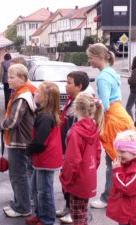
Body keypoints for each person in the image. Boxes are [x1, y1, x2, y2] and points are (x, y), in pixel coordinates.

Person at [86, 43, 134, 209]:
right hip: (122, 117)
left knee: (112, 162)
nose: (89, 60)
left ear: (99, 57)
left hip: (113, 120)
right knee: (123, 160)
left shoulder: (103, 78)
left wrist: (94, 103)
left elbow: (105, 105)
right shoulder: (112, 72)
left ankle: (107, 198)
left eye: (91, 57)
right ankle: (122, 194)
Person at [60, 92, 104, 225]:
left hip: (77, 180)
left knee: (77, 215)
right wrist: (89, 171)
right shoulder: (94, 126)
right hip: (88, 177)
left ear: (76, 108)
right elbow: (97, 154)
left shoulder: (76, 131)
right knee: (82, 213)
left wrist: (65, 179)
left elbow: (72, 160)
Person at [0, 63, 36, 218]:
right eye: (8, 77)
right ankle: (20, 202)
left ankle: (22, 207)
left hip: (19, 142)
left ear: (22, 78)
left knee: (18, 175)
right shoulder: (22, 93)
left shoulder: (21, 97)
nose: (8, 80)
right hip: (21, 141)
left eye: (12, 77)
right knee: (20, 174)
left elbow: (13, 121)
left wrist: (2, 125)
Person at [25, 81, 63, 225]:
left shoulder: (46, 117)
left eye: (39, 92)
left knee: (45, 192)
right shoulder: (44, 113)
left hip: (46, 160)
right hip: (42, 160)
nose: (35, 93)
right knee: (36, 189)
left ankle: (47, 219)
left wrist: (28, 150)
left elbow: (40, 142)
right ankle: (40, 215)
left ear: (46, 97)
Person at [56, 71, 90, 224]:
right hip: (64, 148)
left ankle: (73, 211)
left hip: (71, 151)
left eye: (69, 82)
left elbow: (76, 133)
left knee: (72, 182)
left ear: (79, 86)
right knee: (65, 182)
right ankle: (68, 207)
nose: (66, 85)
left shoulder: (80, 106)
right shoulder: (71, 100)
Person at [106, 128, 136, 225]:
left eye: (122, 152)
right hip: (126, 210)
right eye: (118, 151)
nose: (118, 155)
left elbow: (127, 188)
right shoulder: (128, 163)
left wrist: (117, 171)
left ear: (133, 151)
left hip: (132, 213)